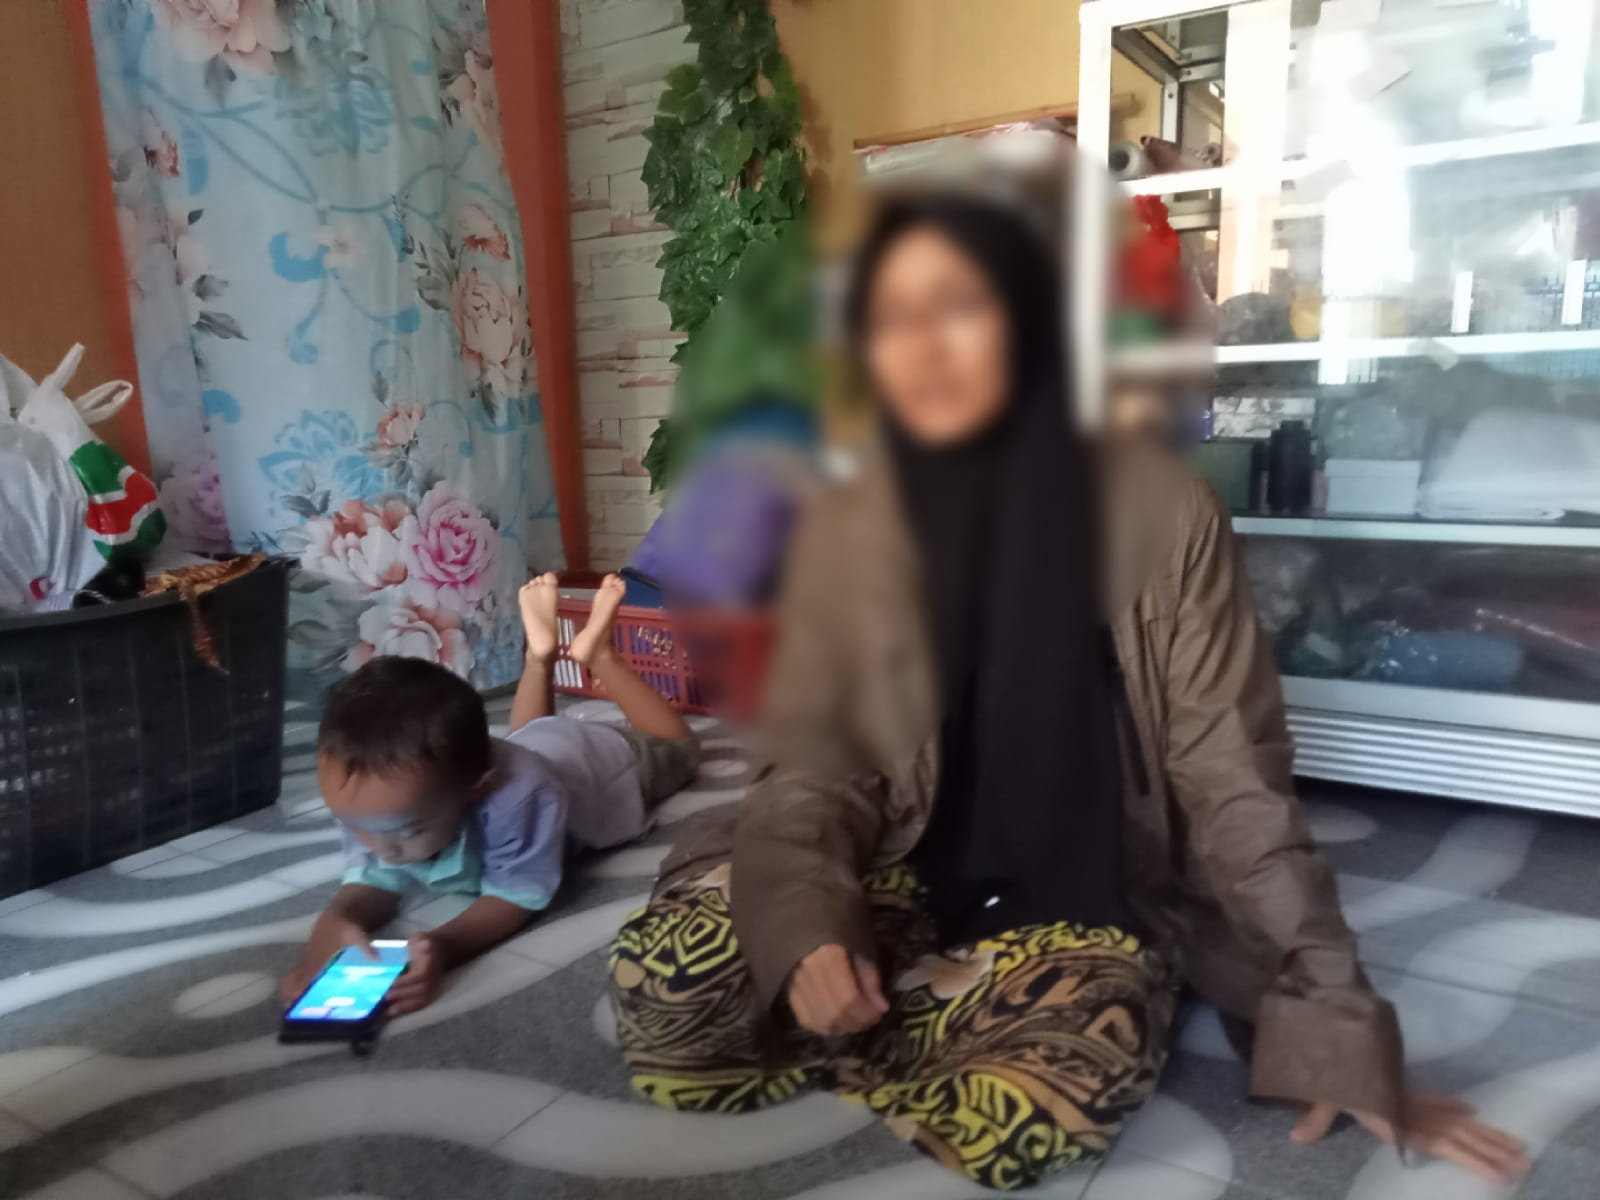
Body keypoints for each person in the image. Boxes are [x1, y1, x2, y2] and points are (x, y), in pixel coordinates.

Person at [606, 196, 1530, 1191]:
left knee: (1047, 1105)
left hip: (1078, 893)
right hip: (890, 862)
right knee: (672, 993)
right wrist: (810, 931)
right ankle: (926, 1002)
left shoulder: (1170, 517)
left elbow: (1233, 781)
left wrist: (1336, 1030)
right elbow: (814, 767)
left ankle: (945, 1008)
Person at [282, 573, 699, 1015]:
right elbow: (373, 879)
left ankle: (599, 655)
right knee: (527, 737)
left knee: (682, 749)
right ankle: (540, 656)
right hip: (530, 745)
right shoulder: (369, 800)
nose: (379, 847)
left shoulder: (522, 797)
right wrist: (338, 919)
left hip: (604, 762)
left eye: (406, 830)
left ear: (477, 790)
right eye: (354, 826)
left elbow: (516, 895)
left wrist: (445, 944)